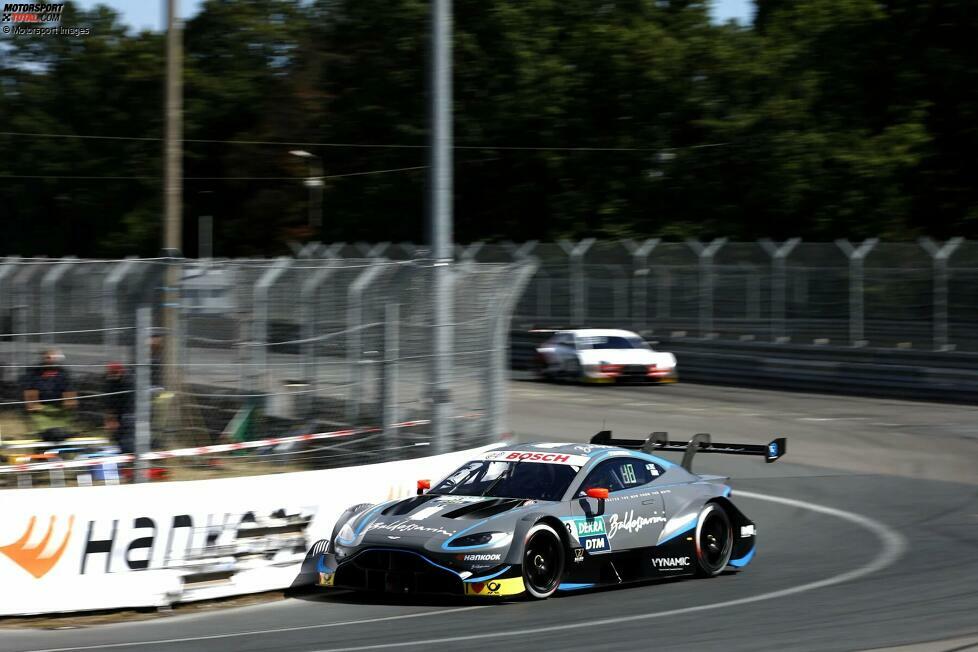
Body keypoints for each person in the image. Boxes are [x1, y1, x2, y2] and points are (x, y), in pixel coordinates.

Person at [21, 349, 77, 442]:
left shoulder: (63, 372)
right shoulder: (35, 372)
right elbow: (30, 391)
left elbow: (69, 390)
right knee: (47, 432)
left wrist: (70, 402)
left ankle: (60, 435)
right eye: (48, 357)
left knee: (61, 432)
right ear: (43, 358)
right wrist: (32, 404)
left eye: (54, 357)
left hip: (60, 409)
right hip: (42, 410)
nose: (51, 359)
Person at [103, 362, 135, 453]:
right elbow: (109, 402)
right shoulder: (110, 382)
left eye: (115, 373)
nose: (113, 375)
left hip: (127, 413)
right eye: (111, 373)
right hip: (120, 413)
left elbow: (127, 403)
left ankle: (127, 452)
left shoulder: (128, 382)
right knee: (118, 437)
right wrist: (110, 418)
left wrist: (114, 418)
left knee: (126, 438)